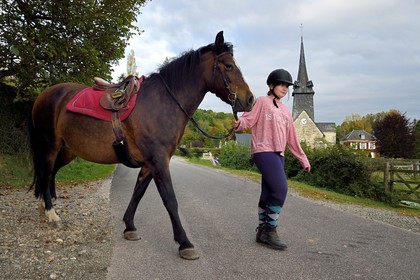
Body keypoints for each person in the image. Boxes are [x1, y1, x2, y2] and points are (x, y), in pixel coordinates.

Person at [232, 69, 311, 250]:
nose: (285, 88)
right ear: (271, 85)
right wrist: (239, 124)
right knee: (280, 189)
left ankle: (261, 231)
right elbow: (248, 120)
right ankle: (270, 230)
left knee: (268, 193)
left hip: (279, 154)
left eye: (287, 86)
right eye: (282, 84)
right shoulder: (262, 102)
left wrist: (303, 159)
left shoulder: (285, 110)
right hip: (263, 151)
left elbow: (292, 137)